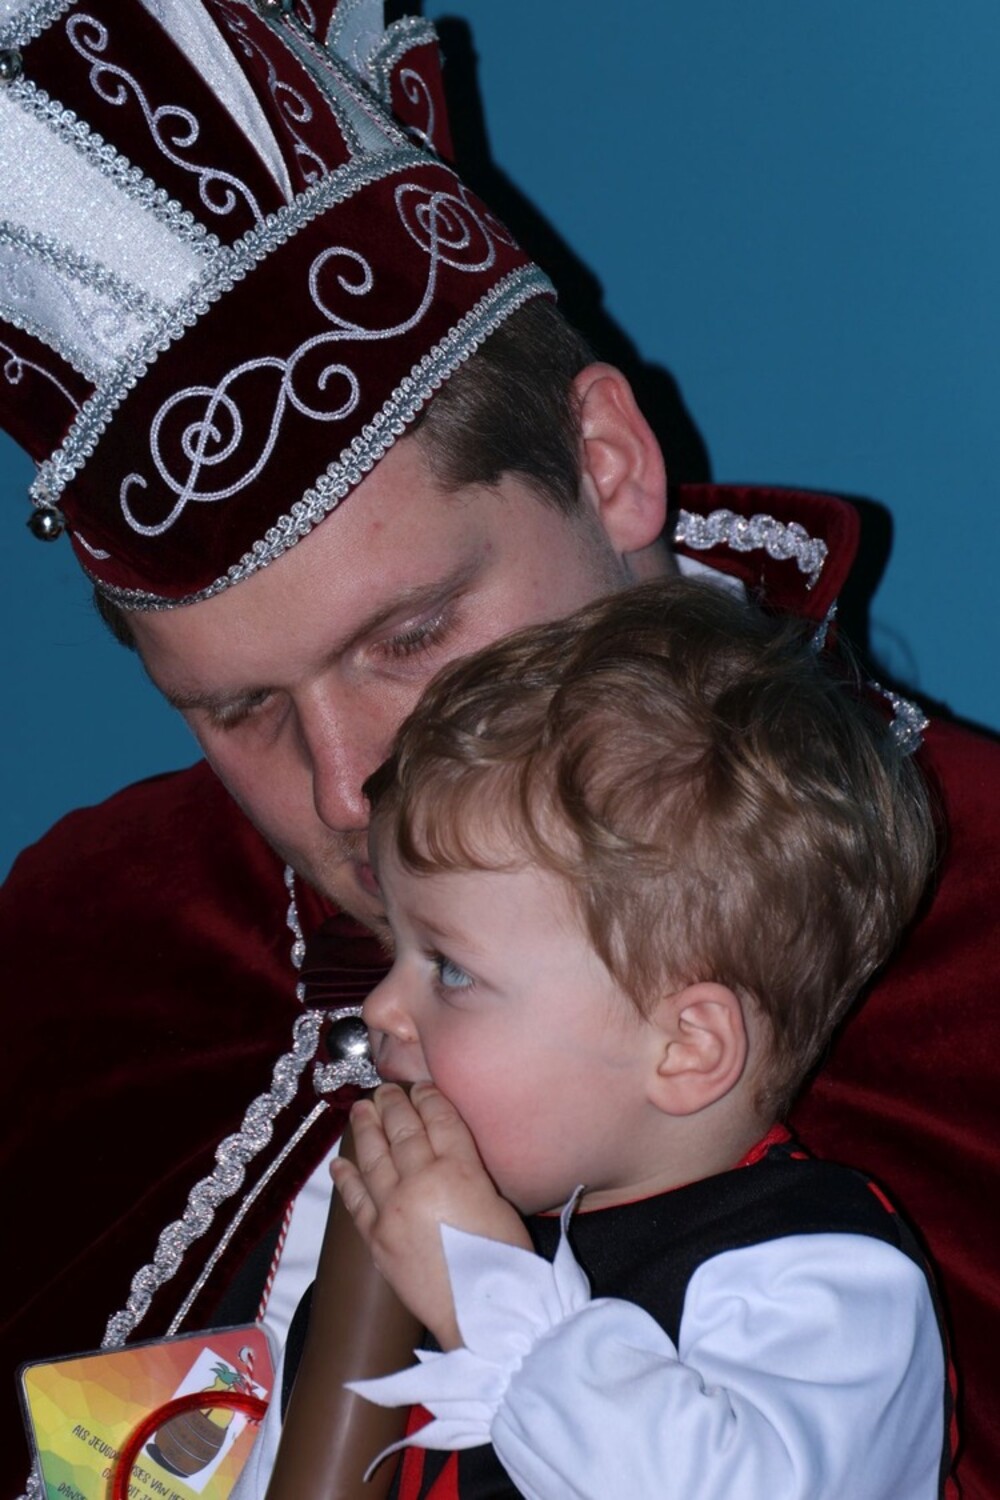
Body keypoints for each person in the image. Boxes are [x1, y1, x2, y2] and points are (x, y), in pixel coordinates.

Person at [0, 3, 997, 1498]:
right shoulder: (87, 943)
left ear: (607, 463)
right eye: (241, 710)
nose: (348, 789)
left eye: (407, 636)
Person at [319, 576, 950, 1498]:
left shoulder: (817, 1273)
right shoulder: (419, 1234)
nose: (381, 1008)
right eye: (395, 949)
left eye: (451, 969)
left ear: (685, 1048)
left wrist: (487, 1296)